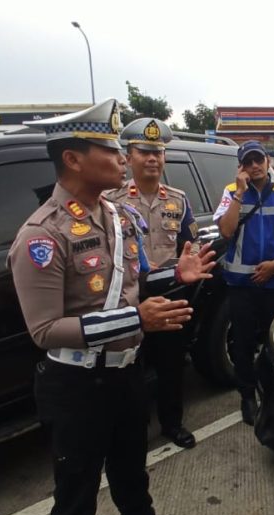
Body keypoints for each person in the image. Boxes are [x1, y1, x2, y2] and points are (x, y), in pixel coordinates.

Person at [7, 99, 216, 515]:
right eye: (109, 148)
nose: (123, 157)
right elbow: (44, 330)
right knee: (76, 487)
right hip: (76, 383)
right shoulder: (42, 234)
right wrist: (136, 320)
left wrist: (175, 275)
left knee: (130, 462)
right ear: (73, 159)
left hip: (126, 370)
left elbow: (131, 288)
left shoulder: (119, 217)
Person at [103, 117, 198, 449]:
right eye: (144, 152)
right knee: (132, 367)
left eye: (158, 152)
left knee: (172, 365)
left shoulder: (178, 199)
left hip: (169, 294)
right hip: (130, 298)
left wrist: (186, 263)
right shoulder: (111, 201)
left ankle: (172, 423)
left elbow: (189, 245)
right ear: (129, 157)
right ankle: (135, 429)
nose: (153, 159)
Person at [214, 140, 274, 424]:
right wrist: (239, 194)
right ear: (241, 167)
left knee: (273, 342)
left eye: (259, 160)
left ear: (268, 162)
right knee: (242, 343)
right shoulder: (231, 192)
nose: (255, 166)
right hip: (240, 285)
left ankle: (271, 392)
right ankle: (247, 396)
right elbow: (227, 231)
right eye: (248, 162)